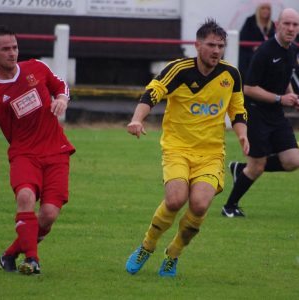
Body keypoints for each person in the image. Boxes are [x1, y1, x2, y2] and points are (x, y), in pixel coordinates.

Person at [125, 19, 249, 277]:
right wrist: (137, 119)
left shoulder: (231, 75)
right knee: (175, 199)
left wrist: (242, 136)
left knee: (200, 205)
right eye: (211, 45)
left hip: (211, 153)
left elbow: (238, 109)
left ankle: (174, 254)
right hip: (177, 148)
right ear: (197, 45)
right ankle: (147, 245)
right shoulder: (178, 69)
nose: (216, 51)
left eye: (221, 46)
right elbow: (153, 93)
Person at [0, 25, 75, 275]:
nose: (12, 53)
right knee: (25, 197)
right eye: (5, 49)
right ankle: (32, 260)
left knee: (48, 215)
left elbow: (60, 85)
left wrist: (61, 99)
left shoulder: (36, 68)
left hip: (56, 151)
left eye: (14, 47)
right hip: (24, 154)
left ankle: (8, 255)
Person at [222, 8, 299, 218]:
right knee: (257, 166)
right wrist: (280, 99)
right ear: (278, 25)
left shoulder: (292, 50)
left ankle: (241, 170)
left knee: (293, 160)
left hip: (275, 115)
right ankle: (229, 206)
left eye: (295, 25)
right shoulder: (265, 52)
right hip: (255, 113)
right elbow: (248, 88)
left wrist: (292, 97)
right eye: (287, 24)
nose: (291, 29)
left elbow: (285, 80)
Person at [238, 2, 275, 80]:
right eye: (263, 8)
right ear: (258, 10)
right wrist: (253, 47)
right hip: (250, 54)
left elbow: (273, 39)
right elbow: (243, 37)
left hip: (265, 53)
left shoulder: (272, 24)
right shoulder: (250, 21)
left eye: (268, 9)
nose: (266, 11)